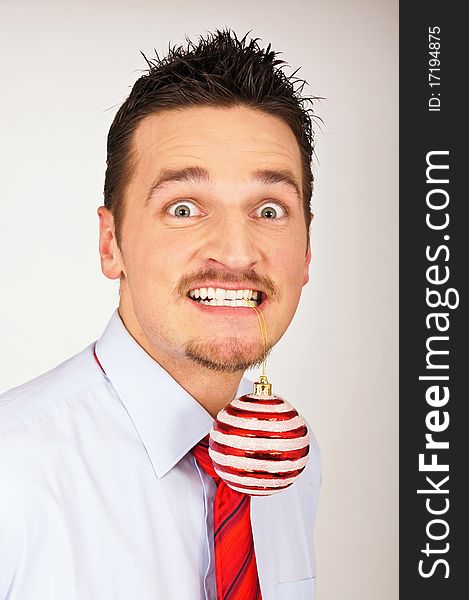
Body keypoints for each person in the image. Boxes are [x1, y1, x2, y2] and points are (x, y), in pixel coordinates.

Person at [0, 30, 321, 600]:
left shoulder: (292, 459)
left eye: (270, 209)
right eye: (184, 208)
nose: (238, 252)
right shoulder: (11, 474)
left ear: (306, 252)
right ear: (110, 243)